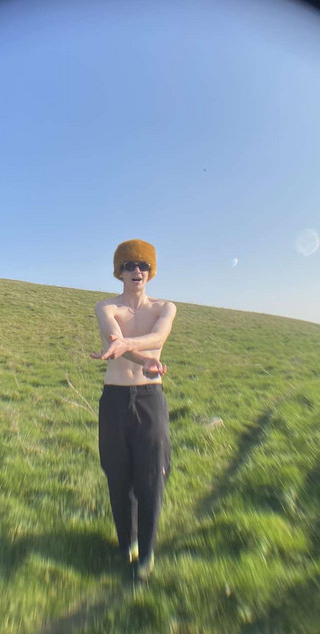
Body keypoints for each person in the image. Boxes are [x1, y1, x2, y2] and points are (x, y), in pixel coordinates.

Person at [90, 239, 177, 581]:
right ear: (119, 272)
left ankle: (147, 552)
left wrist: (130, 346)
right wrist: (140, 357)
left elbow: (159, 337)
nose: (136, 271)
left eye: (143, 265)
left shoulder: (165, 307)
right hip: (114, 399)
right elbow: (116, 342)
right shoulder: (106, 307)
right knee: (117, 475)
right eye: (129, 265)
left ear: (150, 272)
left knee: (151, 477)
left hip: (149, 399)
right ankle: (127, 543)